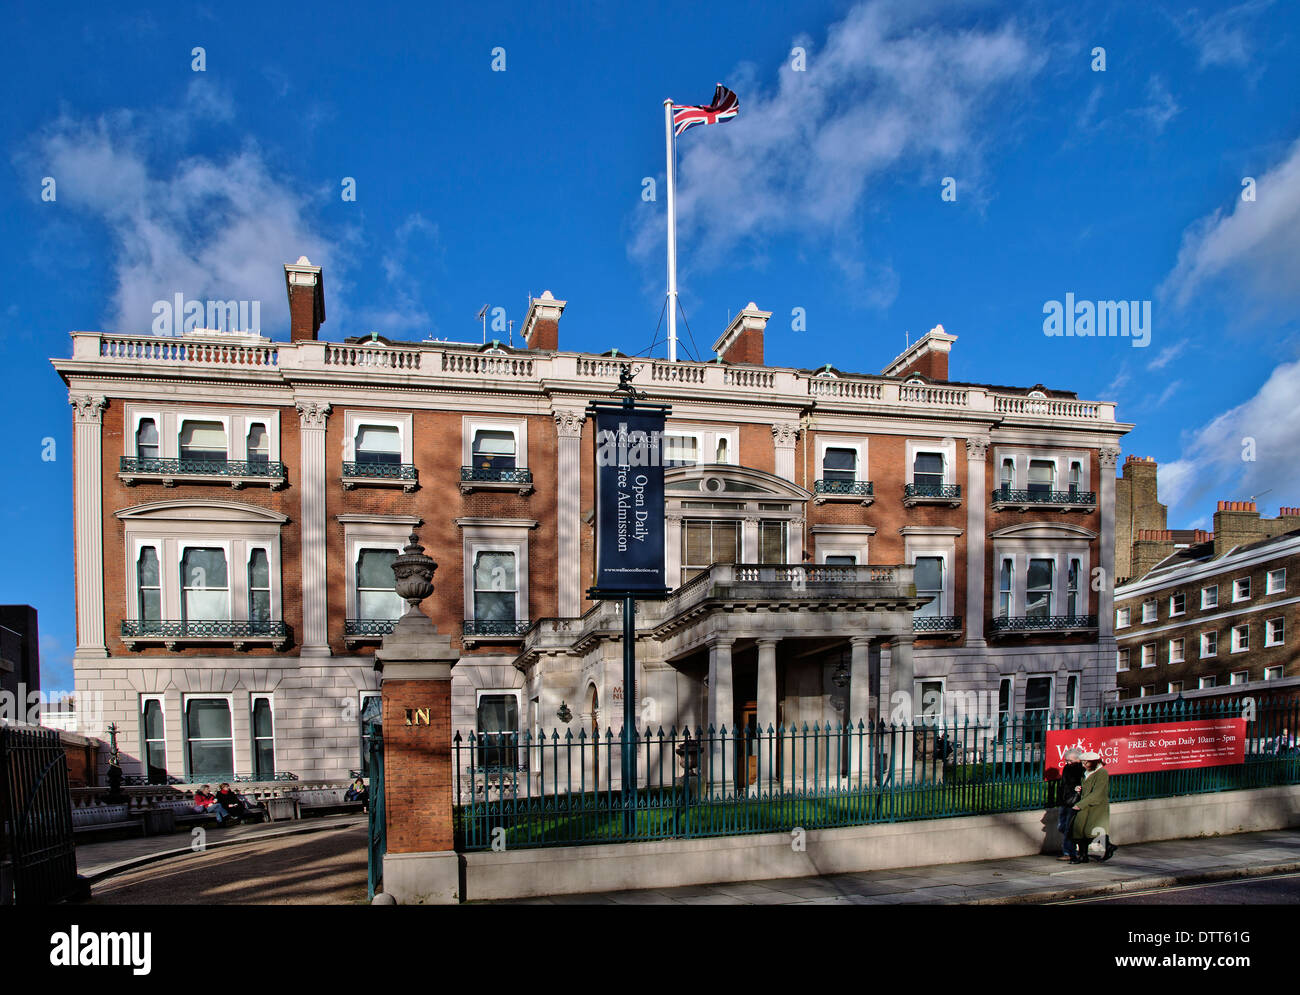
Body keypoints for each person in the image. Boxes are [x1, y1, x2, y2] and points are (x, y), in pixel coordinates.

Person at [1071, 751, 1117, 863]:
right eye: (1082, 762)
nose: (1083, 765)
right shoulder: (1086, 772)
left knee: (1091, 831)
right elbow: (1087, 787)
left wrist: (1080, 804)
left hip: (1097, 806)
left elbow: (1097, 792)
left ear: (1093, 762)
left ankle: (1108, 846)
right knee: (1078, 830)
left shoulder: (1102, 773)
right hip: (1086, 804)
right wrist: (1079, 789)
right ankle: (1083, 856)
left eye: (1085, 763)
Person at [1055, 748, 1085, 862]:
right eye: (1066, 760)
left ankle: (1069, 852)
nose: (1067, 763)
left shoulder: (1081, 769)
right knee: (1062, 826)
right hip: (1065, 800)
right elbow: (1064, 784)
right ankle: (1074, 848)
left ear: (1077, 759)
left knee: (1068, 827)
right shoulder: (1067, 768)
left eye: (1069, 760)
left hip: (1074, 801)